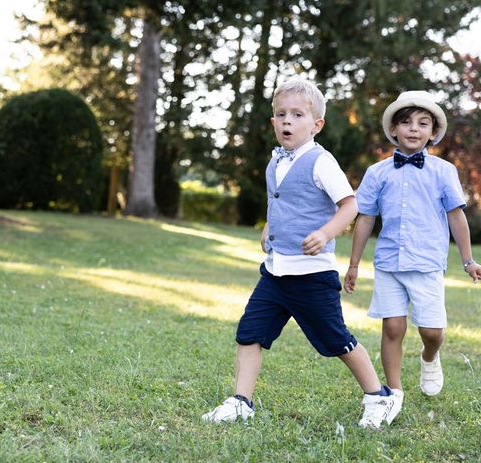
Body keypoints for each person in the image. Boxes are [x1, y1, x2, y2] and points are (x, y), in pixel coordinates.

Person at [202, 79, 395, 429]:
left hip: (311, 276)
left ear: (316, 124)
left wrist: (325, 233)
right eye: (281, 114)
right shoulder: (276, 161)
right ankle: (241, 401)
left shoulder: (321, 162)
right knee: (250, 332)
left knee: (336, 339)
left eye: (297, 115)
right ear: (272, 122)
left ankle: (378, 396)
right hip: (275, 273)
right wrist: (268, 226)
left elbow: (350, 205)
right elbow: (281, 201)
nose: (287, 121)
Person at [343, 90, 481, 425]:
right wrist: (353, 264)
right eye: (406, 123)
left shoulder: (443, 171)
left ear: (433, 132)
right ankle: (394, 393)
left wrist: (467, 260)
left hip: (427, 262)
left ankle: (429, 356)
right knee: (392, 327)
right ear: (393, 129)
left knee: (432, 331)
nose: (414, 129)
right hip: (389, 262)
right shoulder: (377, 173)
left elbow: (456, 217)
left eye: (422, 123)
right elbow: (365, 218)